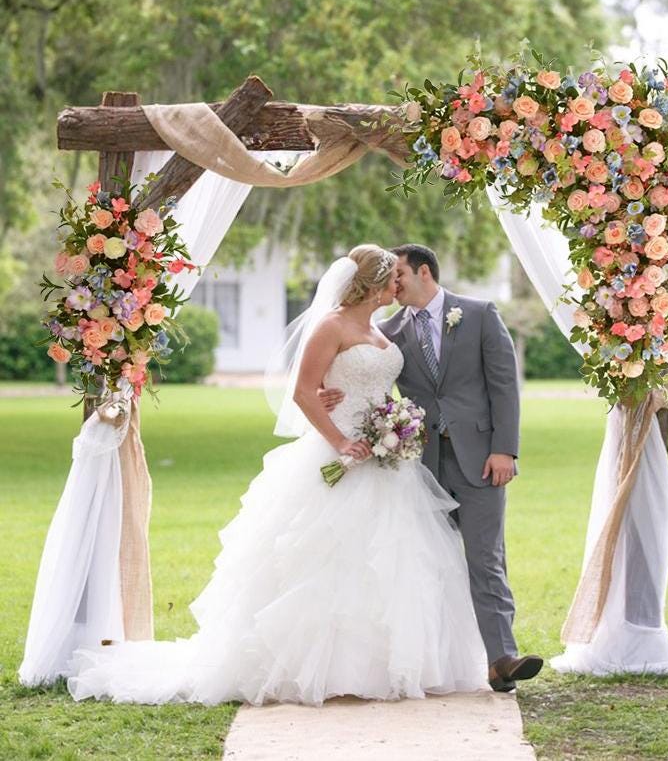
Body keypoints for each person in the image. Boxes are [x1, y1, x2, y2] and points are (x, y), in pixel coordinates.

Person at [66, 245, 489, 706]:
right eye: (394, 279)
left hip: (386, 460)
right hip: (339, 454)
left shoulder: (379, 329)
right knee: (326, 559)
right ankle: (318, 669)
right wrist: (341, 440)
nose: (399, 286)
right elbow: (305, 392)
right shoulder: (330, 326)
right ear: (375, 282)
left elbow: (373, 386)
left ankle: (390, 665)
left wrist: (392, 425)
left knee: (395, 561)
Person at [320, 243, 543, 691]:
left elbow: (504, 386)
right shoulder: (388, 330)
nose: (391, 282)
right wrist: (330, 391)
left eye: (398, 273)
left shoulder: (479, 314)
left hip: (481, 460)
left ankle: (502, 658)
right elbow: (355, 368)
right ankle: (435, 661)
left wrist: (506, 449)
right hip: (417, 467)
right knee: (427, 564)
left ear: (424, 272)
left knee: (485, 558)